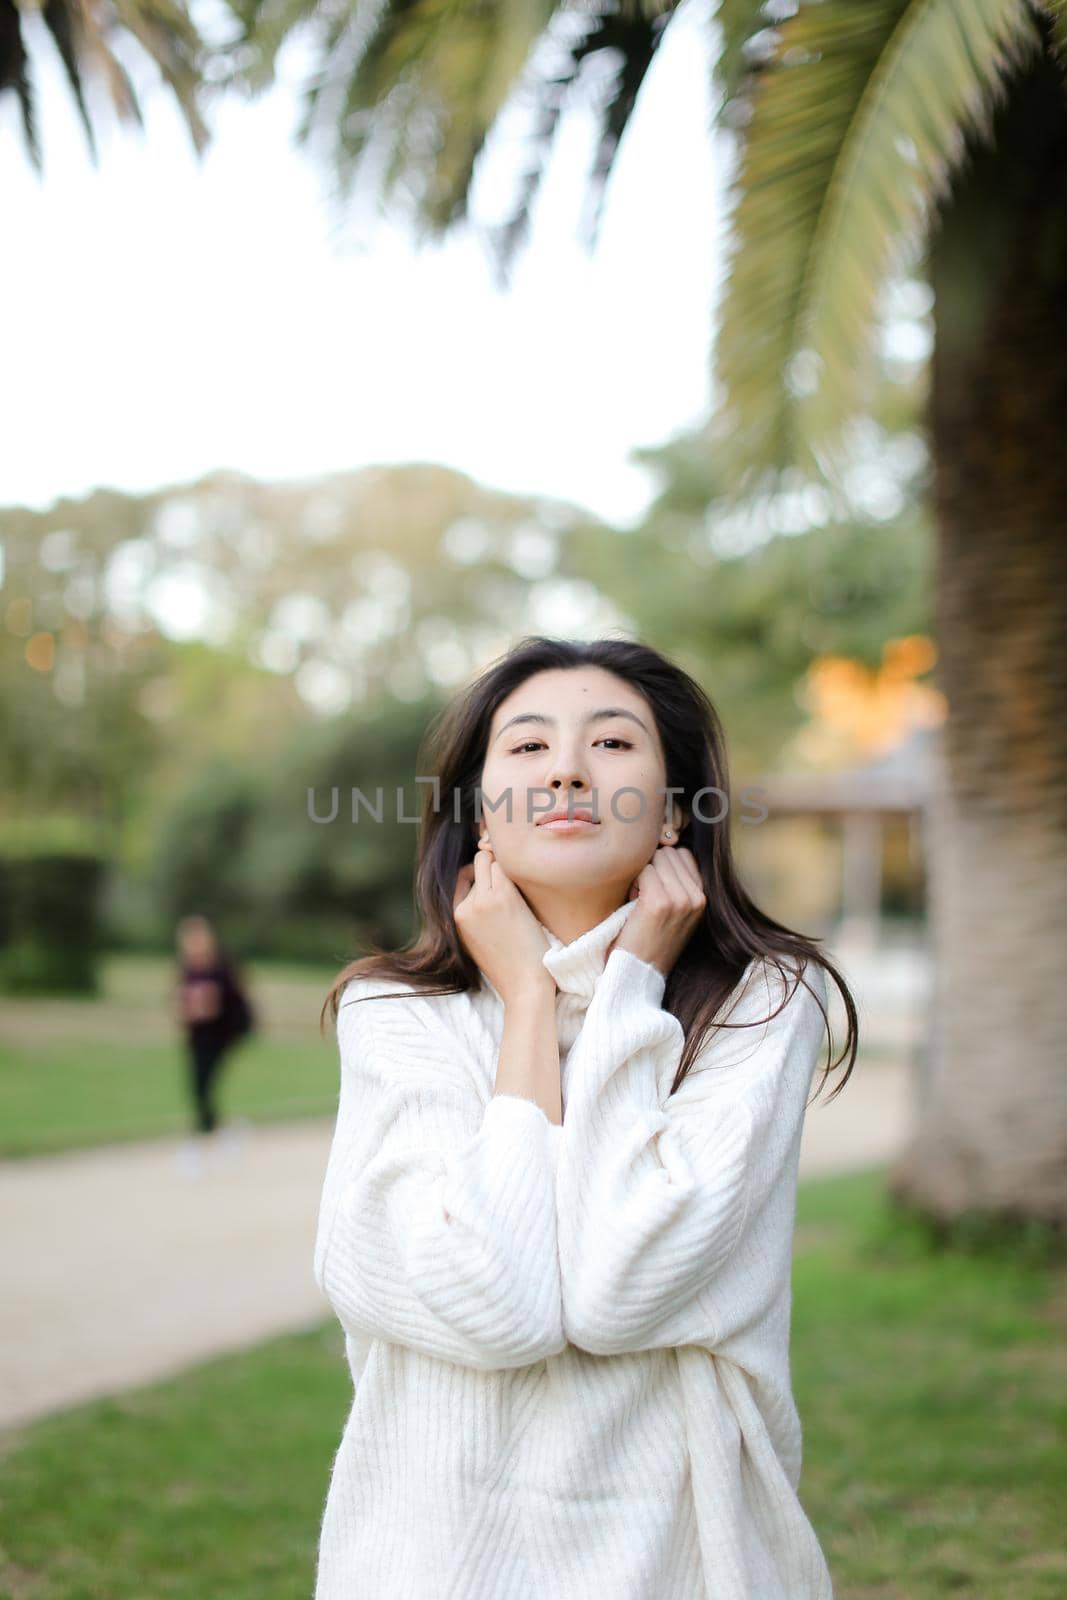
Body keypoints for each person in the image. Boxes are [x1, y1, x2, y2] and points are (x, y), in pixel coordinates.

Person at [312, 635, 859, 1600]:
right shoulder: (394, 1015)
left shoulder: (766, 1002)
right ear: (476, 809)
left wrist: (631, 984)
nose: (565, 767)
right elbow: (497, 1305)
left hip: (687, 1561)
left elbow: (619, 1287)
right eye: (525, 748)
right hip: (431, 1559)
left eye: (611, 744)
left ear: (676, 805)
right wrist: (528, 999)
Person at [175, 914, 255, 1175]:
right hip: (197, 1038)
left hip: (219, 1037)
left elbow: (225, 1005)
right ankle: (226, 1134)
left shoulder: (219, 969)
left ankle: (198, 1147)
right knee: (199, 1090)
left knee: (203, 1090)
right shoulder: (188, 969)